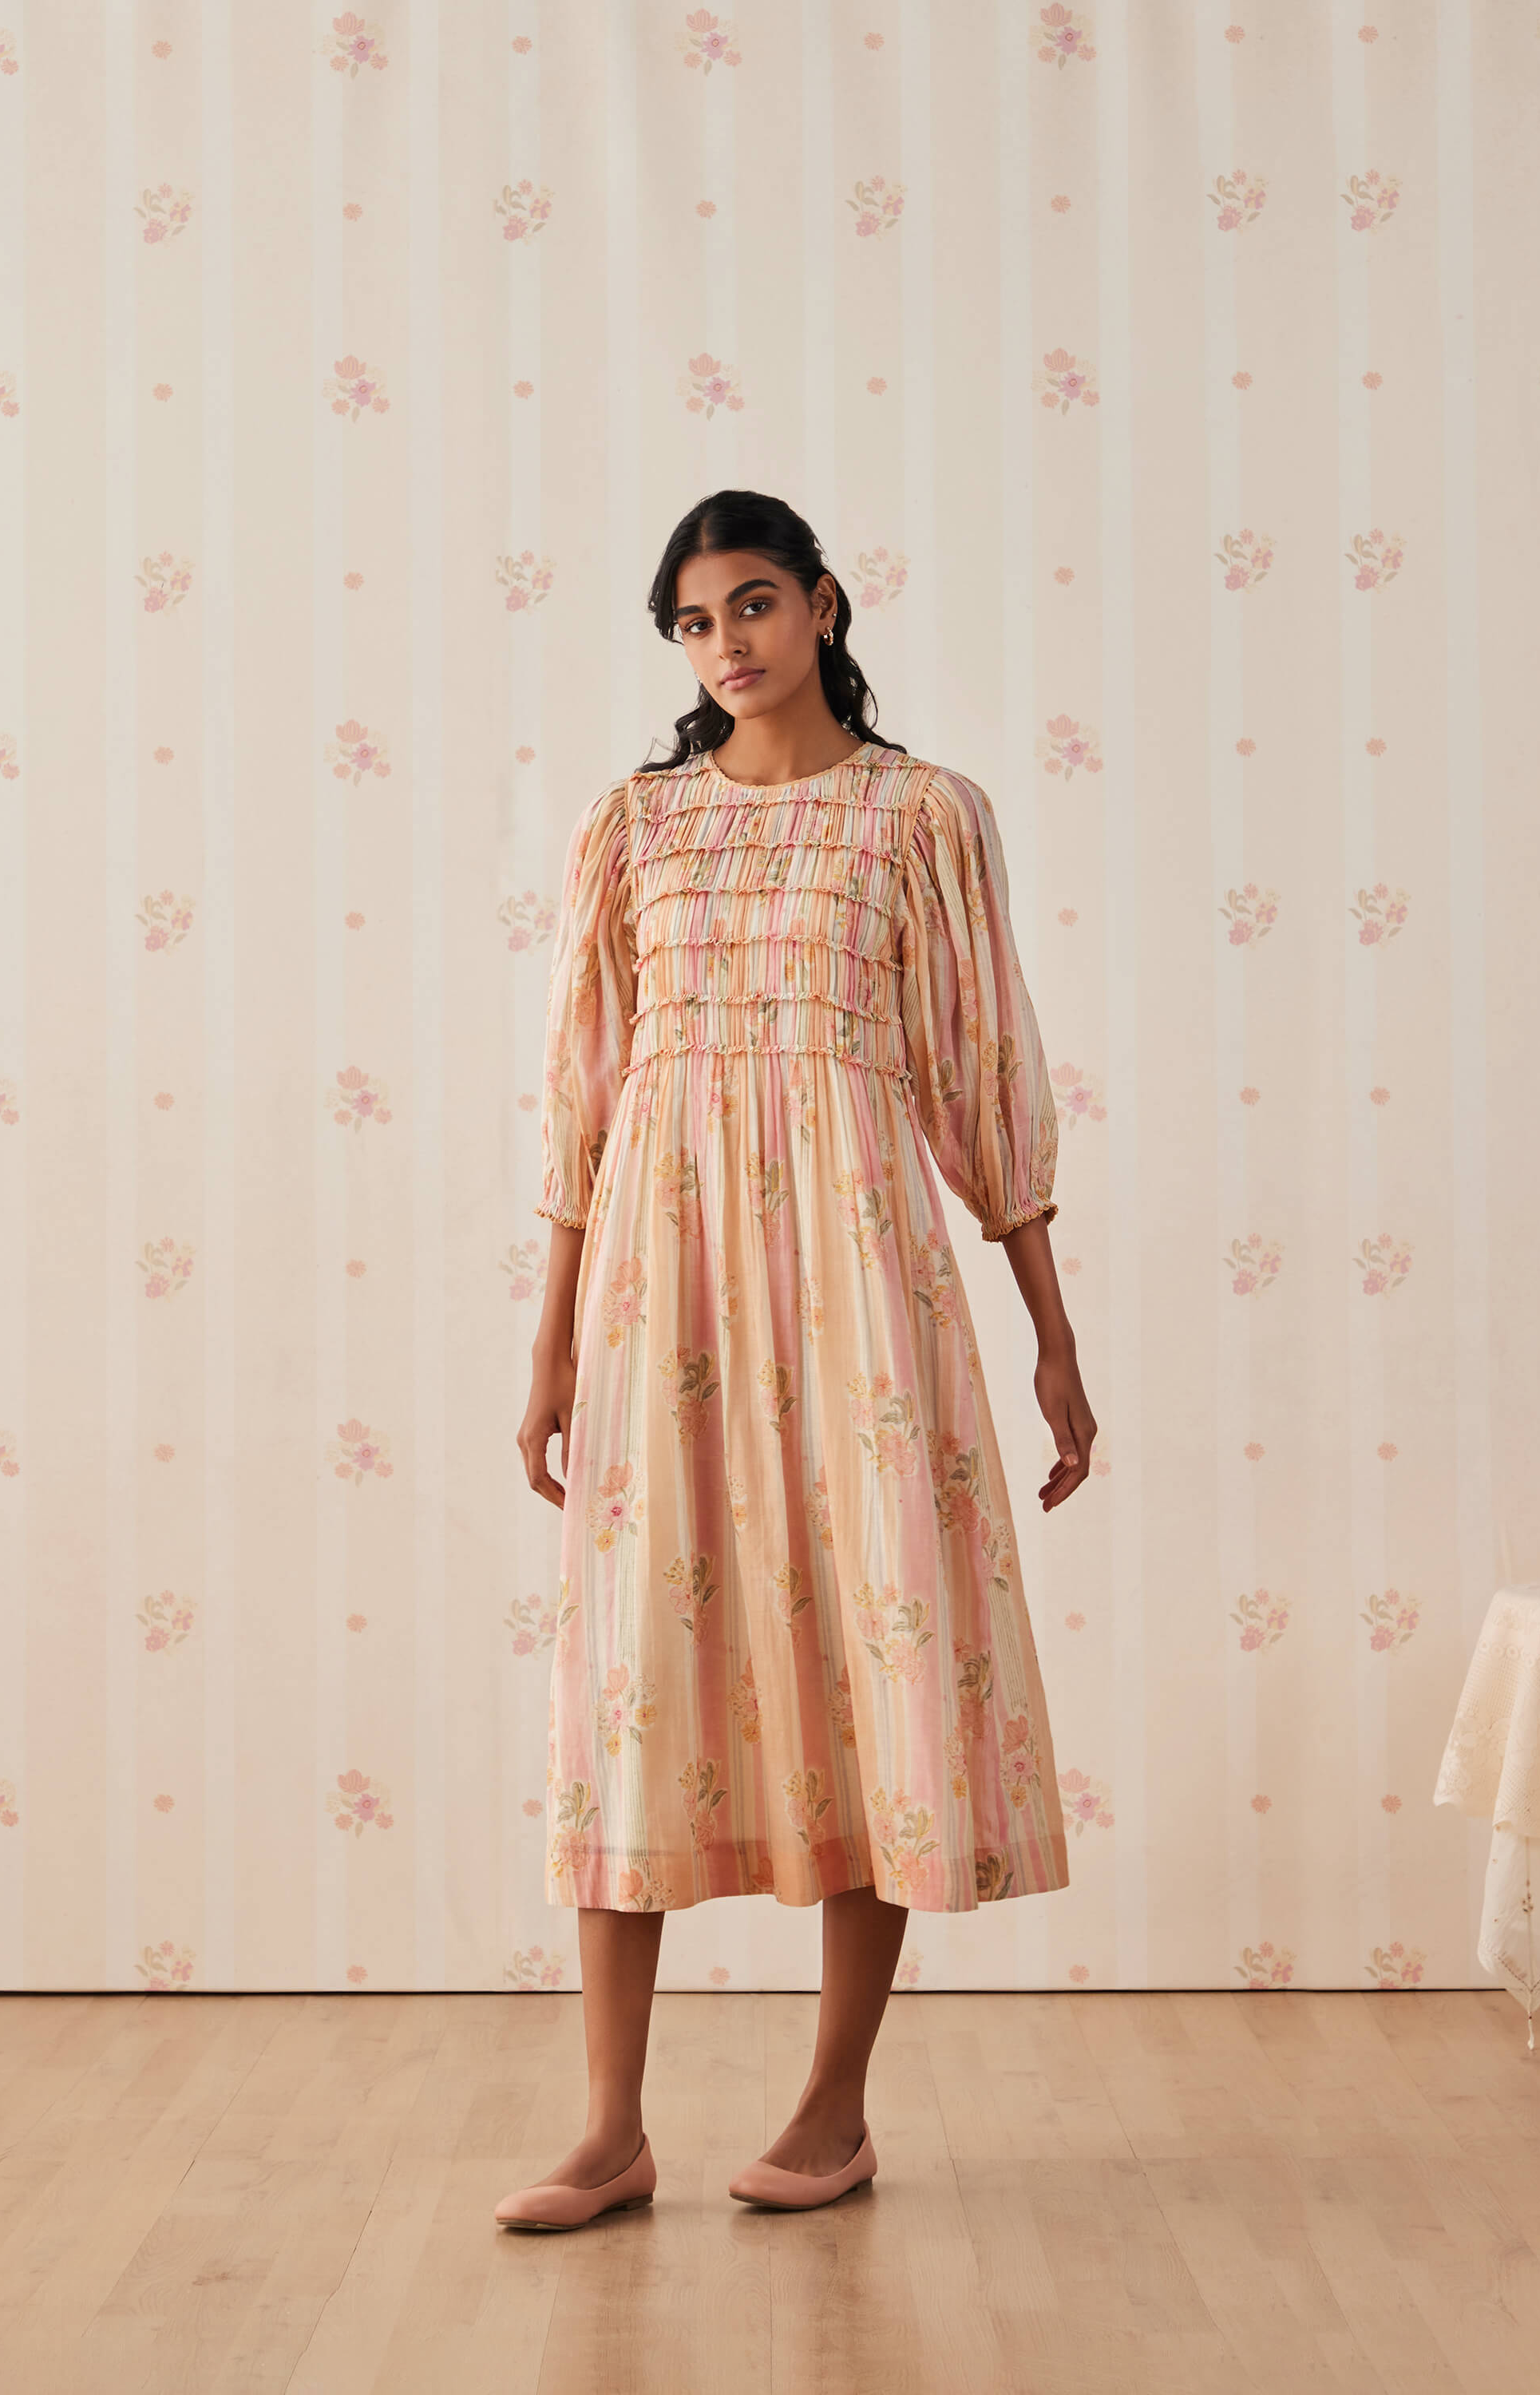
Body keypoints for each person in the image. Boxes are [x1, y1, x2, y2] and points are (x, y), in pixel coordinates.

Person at [498, 489, 1096, 2231]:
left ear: (826, 607)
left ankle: (833, 2109)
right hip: (659, 1291)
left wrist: (1055, 1333)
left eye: (754, 606)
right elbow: (581, 1102)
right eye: (693, 624)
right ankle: (609, 2129)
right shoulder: (635, 826)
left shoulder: (925, 819)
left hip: (861, 1290)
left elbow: (989, 1072)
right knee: (636, 1676)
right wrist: (544, 1349)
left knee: (874, 1657)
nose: (727, 646)